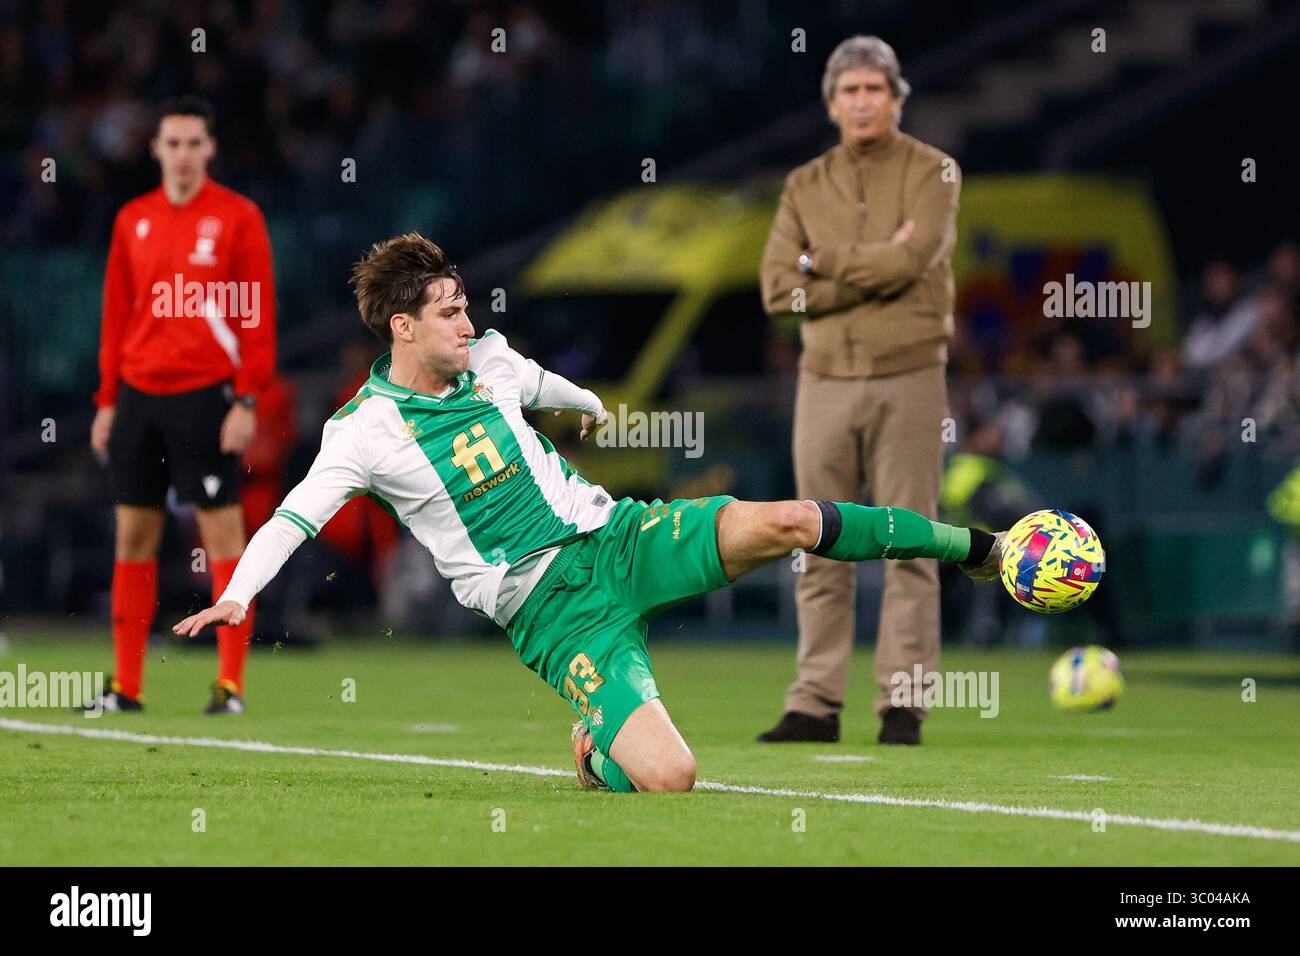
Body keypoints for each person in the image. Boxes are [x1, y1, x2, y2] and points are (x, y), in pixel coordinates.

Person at [173, 234, 1004, 792]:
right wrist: (241, 593)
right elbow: (292, 518)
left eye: (465, 305)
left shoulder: (490, 360)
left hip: (619, 537)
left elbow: (540, 385)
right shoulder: (361, 432)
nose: (469, 320)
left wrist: (591, 403)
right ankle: (593, 746)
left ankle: (976, 547)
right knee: (673, 780)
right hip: (552, 613)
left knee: (784, 520)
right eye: (450, 311)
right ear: (403, 326)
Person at [758, 36, 960, 745]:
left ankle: (902, 705)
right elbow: (781, 293)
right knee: (817, 541)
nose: (864, 101)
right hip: (824, 380)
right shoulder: (804, 184)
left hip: (910, 374)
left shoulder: (935, 171)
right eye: (851, 90)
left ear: (898, 98)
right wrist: (842, 275)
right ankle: (814, 704)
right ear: (831, 103)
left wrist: (823, 263)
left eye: (876, 88)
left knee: (913, 538)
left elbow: (916, 259)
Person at [86, 96, 276, 715]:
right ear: (156, 149)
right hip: (139, 395)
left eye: (195, 143)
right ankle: (127, 688)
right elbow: (117, 317)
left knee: (223, 530)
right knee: (133, 537)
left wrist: (247, 397)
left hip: (206, 394)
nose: (184, 154)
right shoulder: (132, 219)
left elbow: (255, 317)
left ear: (211, 148)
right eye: (173, 143)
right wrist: (107, 400)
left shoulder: (238, 217)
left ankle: (230, 686)